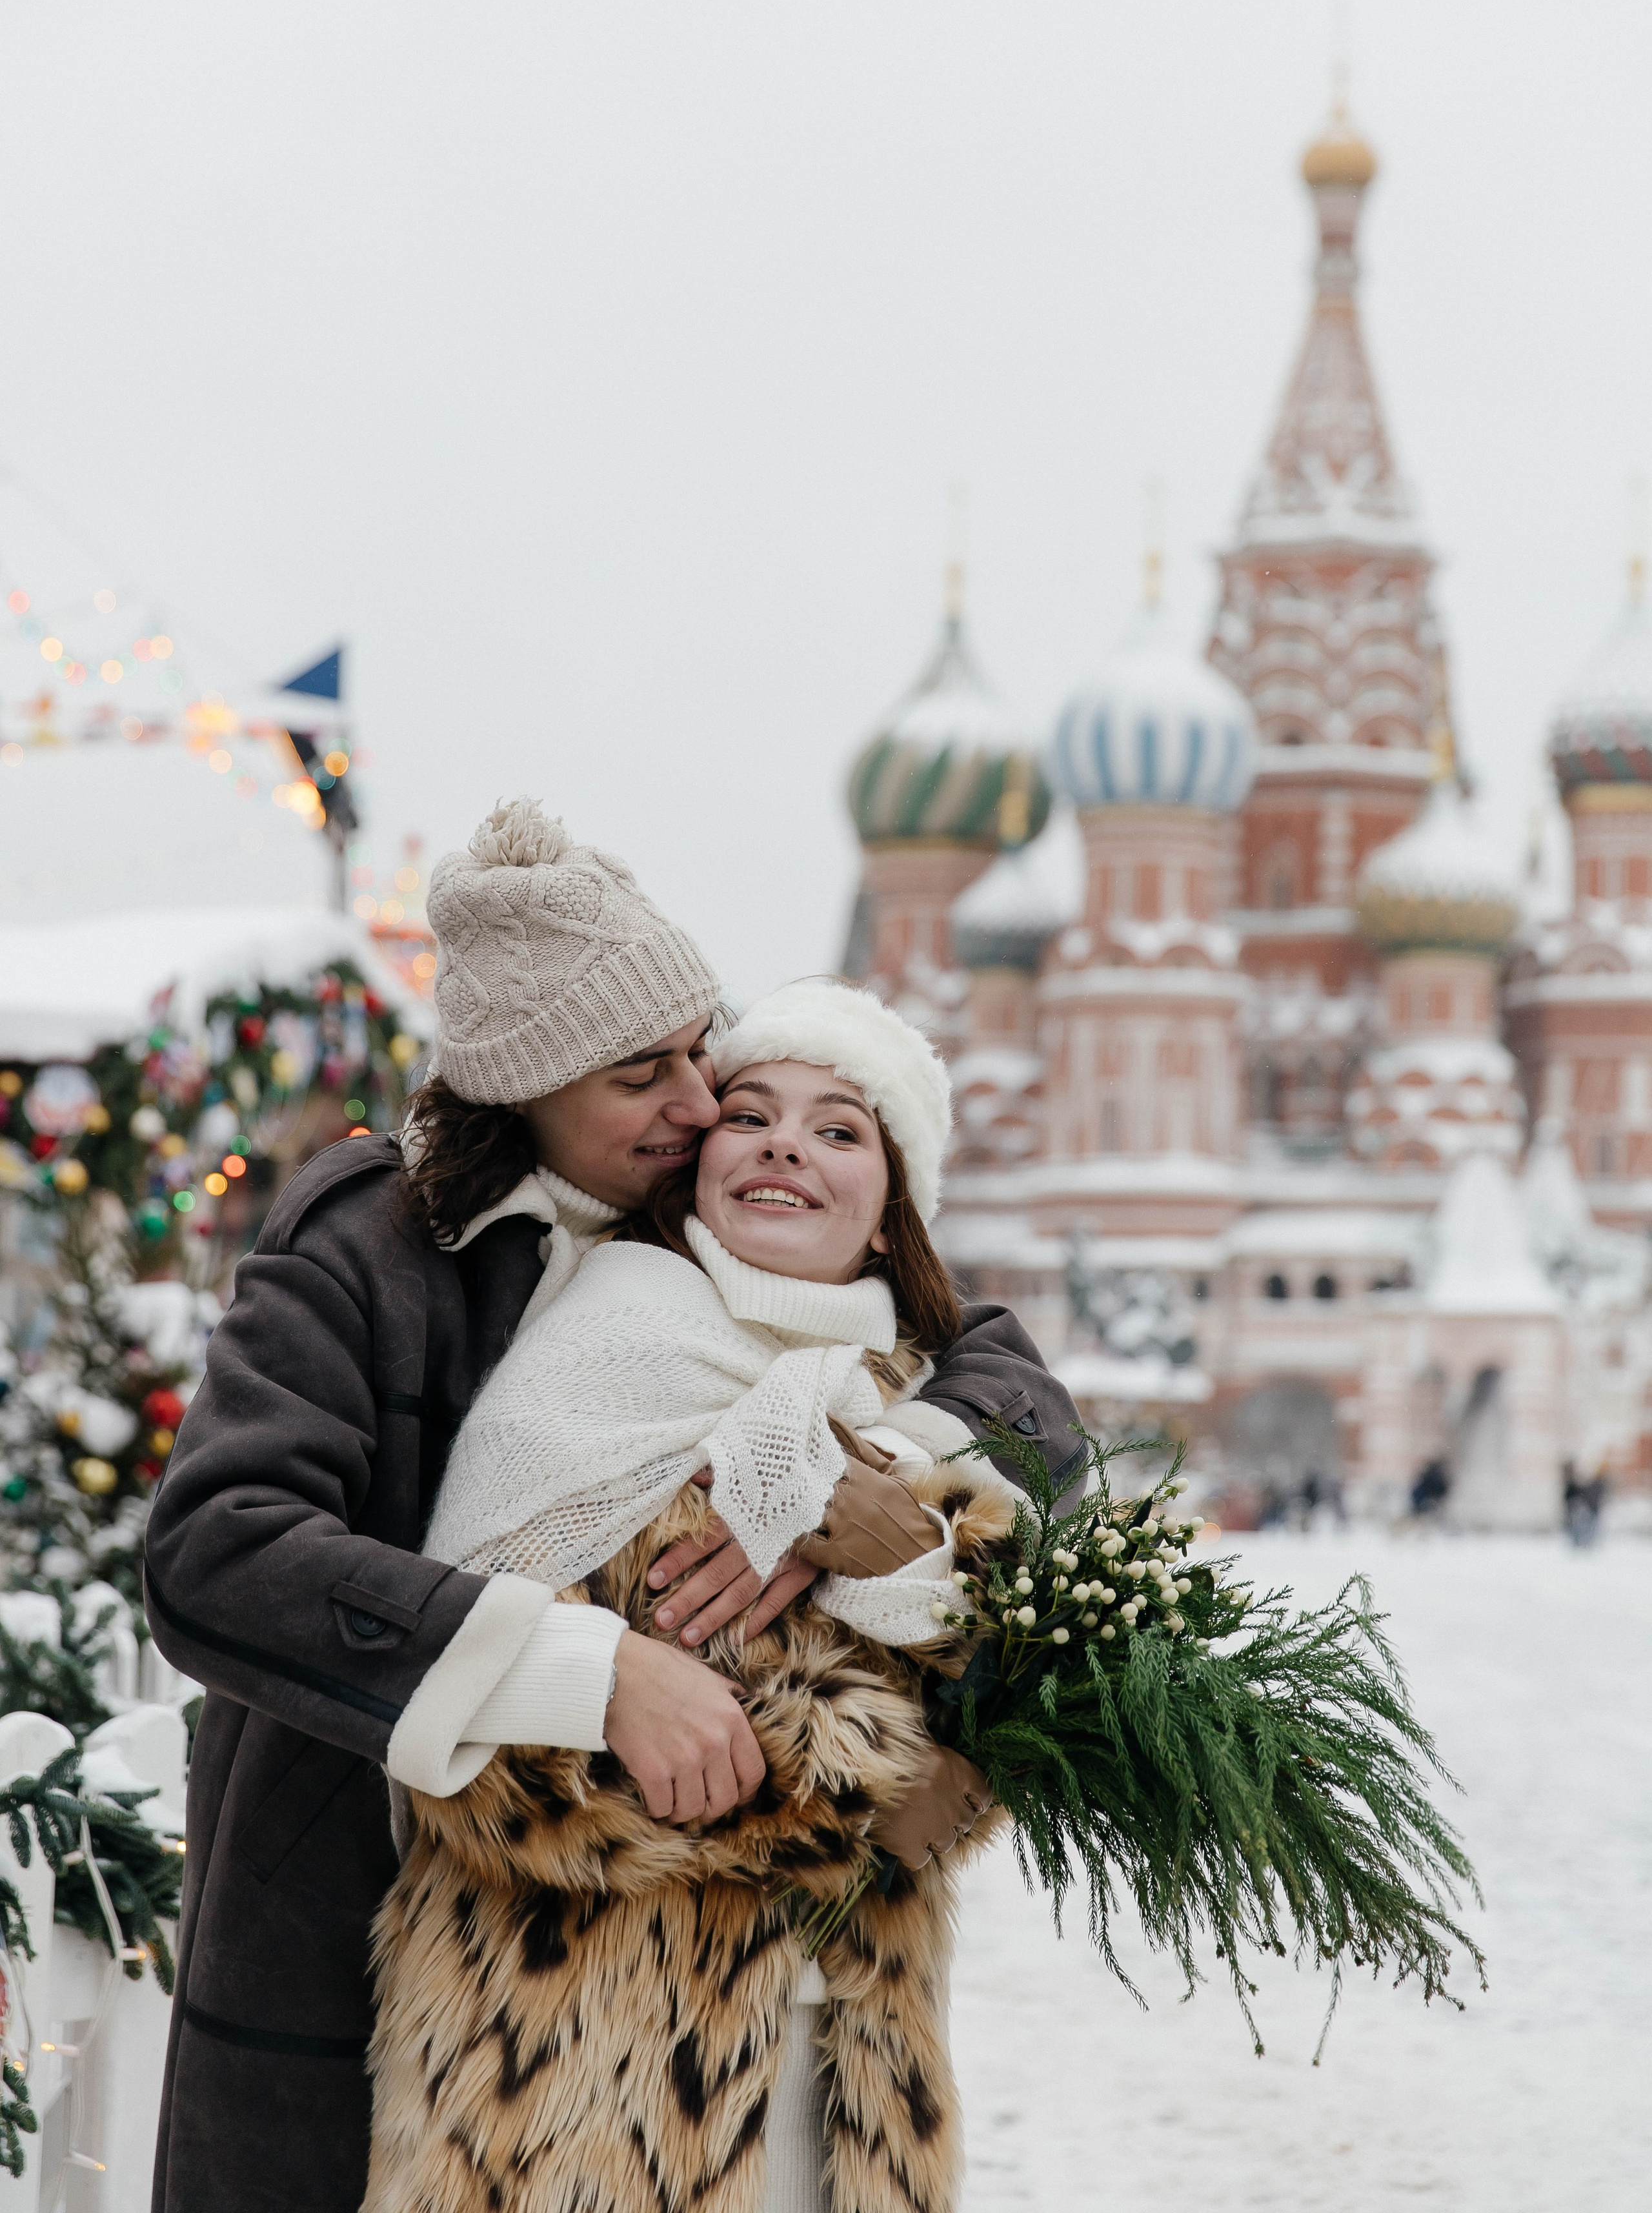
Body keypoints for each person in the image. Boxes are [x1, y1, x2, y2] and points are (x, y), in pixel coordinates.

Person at [143, 802, 1085, 2213]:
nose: (702, 1105)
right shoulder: (379, 1245)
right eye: (644, 1076)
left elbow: (1000, 1369)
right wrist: (599, 1675)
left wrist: (862, 1474)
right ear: (525, 1091)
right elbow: (218, 1553)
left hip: (778, 2030)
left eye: (701, 1052)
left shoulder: (710, 1221)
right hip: (369, 1922)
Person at [365, 978, 1014, 2213]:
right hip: (574, 2082)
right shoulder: (592, 1363)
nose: (784, 1146)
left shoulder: (923, 1413)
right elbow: (474, 1764)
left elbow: (1031, 1714)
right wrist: (861, 1797)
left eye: (839, 1129)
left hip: (850, 2082)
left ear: (894, 1215)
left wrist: (916, 1577)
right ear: (698, 1167)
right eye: (749, 1116)